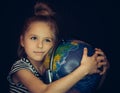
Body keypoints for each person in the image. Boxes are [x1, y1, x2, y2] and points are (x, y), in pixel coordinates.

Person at [7, 2, 109, 93]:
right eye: (34, 38)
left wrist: (101, 68)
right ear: (22, 41)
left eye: (47, 40)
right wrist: (84, 70)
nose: (40, 45)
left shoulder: (53, 67)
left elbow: (87, 89)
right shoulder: (20, 68)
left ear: (55, 43)